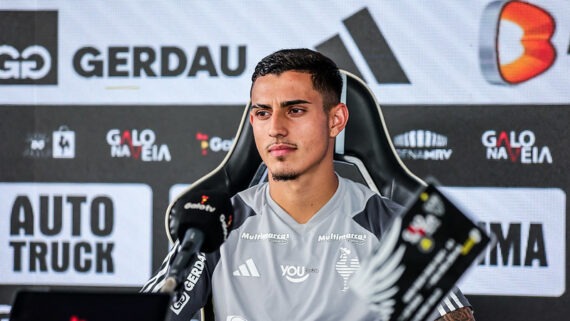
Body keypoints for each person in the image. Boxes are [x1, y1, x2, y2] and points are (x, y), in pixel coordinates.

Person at [142, 48, 475, 321]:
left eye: (295, 110)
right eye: (261, 113)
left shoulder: (396, 225)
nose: (275, 128)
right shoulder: (216, 224)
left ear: (336, 120)